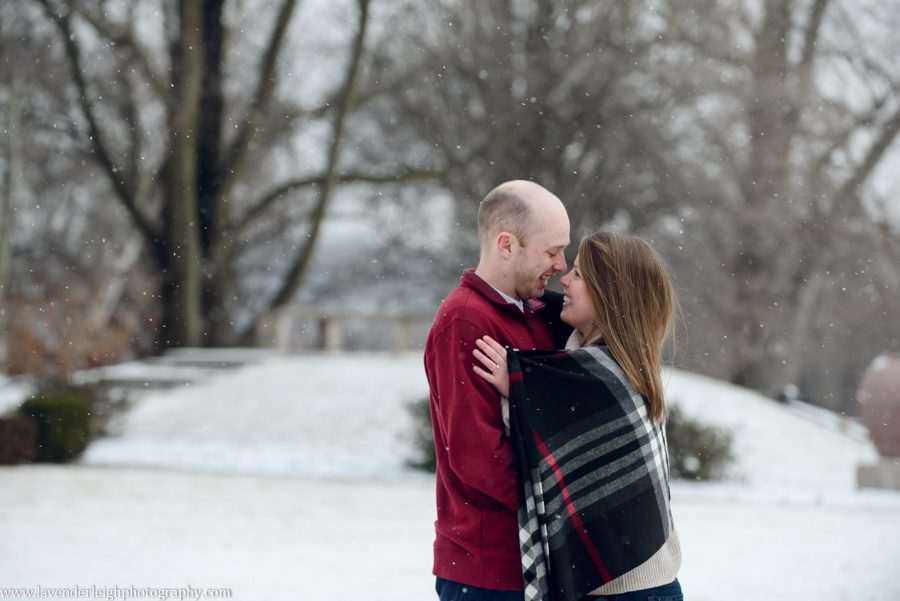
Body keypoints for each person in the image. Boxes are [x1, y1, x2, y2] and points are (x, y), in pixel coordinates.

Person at [473, 232, 683, 601]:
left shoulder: (614, 375)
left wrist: (523, 389)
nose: (564, 280)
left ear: (610, 294)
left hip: (636, 590)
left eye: (580, 275)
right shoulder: (575, 356)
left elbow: (547, 441)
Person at [424, 180, 572, 601]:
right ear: (506, 245)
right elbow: (478, 458)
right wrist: (566, 505)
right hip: (489, 571)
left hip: (546, 562)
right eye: (551, 251)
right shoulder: (465, 321)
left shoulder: (546, 315)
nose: (561, 265)